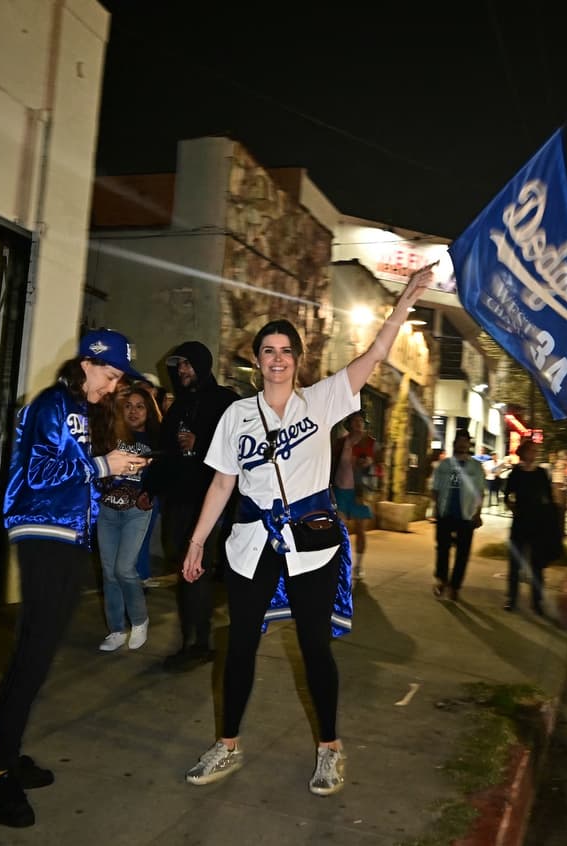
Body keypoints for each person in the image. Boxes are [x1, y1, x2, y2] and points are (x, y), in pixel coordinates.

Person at [179, 266, 433, 796]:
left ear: (298, 360)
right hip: (251, 542)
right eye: (267, 350)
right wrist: (198, 540)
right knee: (241, 645)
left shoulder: (321, 402)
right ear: (256, 359)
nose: (276, 359)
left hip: (311, 541)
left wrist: (406, 300)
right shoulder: (236, 416)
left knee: (315, 647)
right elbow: (223, 485)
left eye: (285, 351)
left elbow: (375, 356)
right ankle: (227, 743)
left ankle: (330, 749)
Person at [0, 329, 146, 828]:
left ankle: (7, 753)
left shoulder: (83, 409)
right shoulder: (51, 403)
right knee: (32, 650)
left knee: (40, 651)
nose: (113, 388)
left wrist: (110, 470)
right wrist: (101, 464)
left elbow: (76, 471)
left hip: (70, 535)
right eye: (110, 376)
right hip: (42, 530)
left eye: (117, 379)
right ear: (88, 364)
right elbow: (37, 473)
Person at [156, 341, 239, 671]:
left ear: (203, 365)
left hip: (207, 503)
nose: (182, 370)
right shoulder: (178, 407)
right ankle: (194, 639)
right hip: (178, 501)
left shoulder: (224, 402)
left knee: (196, 573)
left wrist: (199, 443)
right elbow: (165, 450)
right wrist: (151, 488)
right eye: (179, 366)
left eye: (188, 364)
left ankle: (199, 644)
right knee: (185, 571)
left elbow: (235, 449)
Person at [90, 381, 161, 652]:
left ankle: (140, 620)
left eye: (140, 406)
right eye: (128, 406)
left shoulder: (155, 441)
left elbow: (163, 477)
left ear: (149, 411)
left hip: (136, 512)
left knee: (124, 569)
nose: (133, 411)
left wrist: (152, 492)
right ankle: (116, 629)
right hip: (107, 510)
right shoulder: (110, 435)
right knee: (108, 573)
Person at [431, 428, 487, 601]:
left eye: (465, 441)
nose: (463, 444)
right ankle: (442, 580)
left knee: (463, 552)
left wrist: (478, 513)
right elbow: (435, 488)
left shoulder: (475, 467)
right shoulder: (445, 464)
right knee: (442, 549)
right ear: (455, 443)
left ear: (469, 444)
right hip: (445, 512)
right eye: (460, 440)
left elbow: (480, 492)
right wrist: (436, 508)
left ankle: (455, 586)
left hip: (466, 514)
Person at [502, 440, 556, 614]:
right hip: (520, 522)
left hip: (537, 524)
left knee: (536, 565)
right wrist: (512, 507)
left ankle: (537, 601)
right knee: (515, 563)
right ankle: (512, 598)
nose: (534, 453)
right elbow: (507, 495)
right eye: (531, 450)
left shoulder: (541, 473)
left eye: (535, 451)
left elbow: (549, 497)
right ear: (523, 452)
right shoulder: (516, 473)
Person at [331, 411, 377, 580]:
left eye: (361, 421)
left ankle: (359, 565)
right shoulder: (341, 442)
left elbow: (380, 468)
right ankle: (342, 563)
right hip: (341, 489)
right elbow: (332, 463)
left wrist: (370, 464)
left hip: (360, 492)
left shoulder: (371, 443)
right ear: (349, 424)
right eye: (355, 420)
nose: (358, 423)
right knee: (340, 530)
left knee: (360, 530)